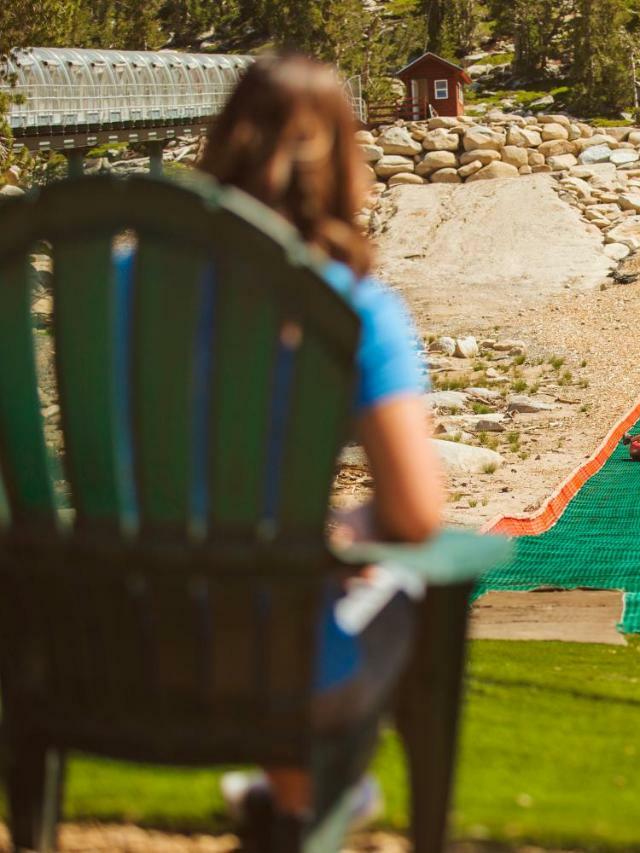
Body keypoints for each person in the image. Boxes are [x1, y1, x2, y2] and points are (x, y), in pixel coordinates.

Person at [199, 55, 445, 838]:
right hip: (274, 664)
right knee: (400, 588)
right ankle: (310, 804)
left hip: (107, 643)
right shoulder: (354, 309)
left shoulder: (123, 282)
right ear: (345, 161)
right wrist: (348, 530)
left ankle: (288, 801)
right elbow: (415, 512)